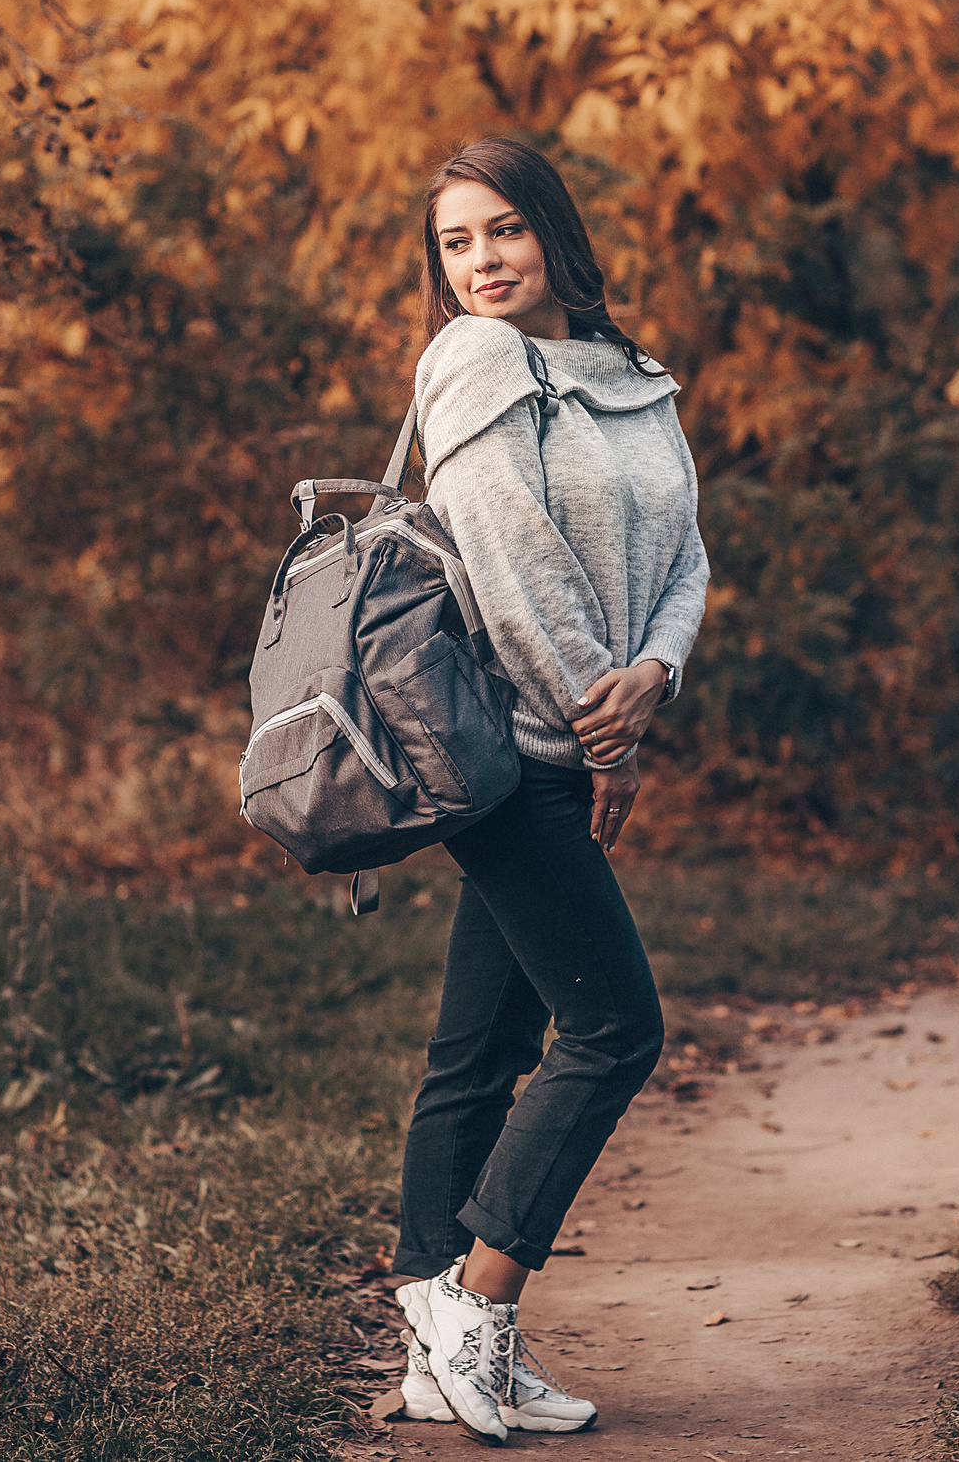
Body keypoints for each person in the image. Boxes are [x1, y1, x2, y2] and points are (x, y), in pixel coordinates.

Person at [388, 137, 709, 1445]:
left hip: (581, 736)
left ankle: (434, 1356)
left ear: (556, 234)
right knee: (616, 1033)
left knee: (481, 1052)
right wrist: (607, 731)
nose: (483, 260)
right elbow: (514, 571)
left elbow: (685, 550)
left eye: (505, 230)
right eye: (457, 242)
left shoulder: (632, 375)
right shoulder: (474, 362)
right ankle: (477, 1301)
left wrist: (660, 673)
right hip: (514, 759)